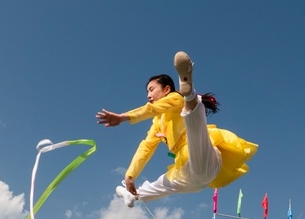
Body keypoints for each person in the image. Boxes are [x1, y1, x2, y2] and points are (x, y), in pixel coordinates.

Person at [96, 51, 257, 207]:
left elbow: (151, 109)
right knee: (162, 185)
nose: (148, 95)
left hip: (203, 156)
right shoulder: (157, 123)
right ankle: (132, 194)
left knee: (194, 126)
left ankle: (190, 92)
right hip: (189, 176)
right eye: (147, 92)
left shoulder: (174, 98)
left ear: (166, 89)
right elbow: (146, 147)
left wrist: (124, 117)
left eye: (151, 89)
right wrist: (130, 175)